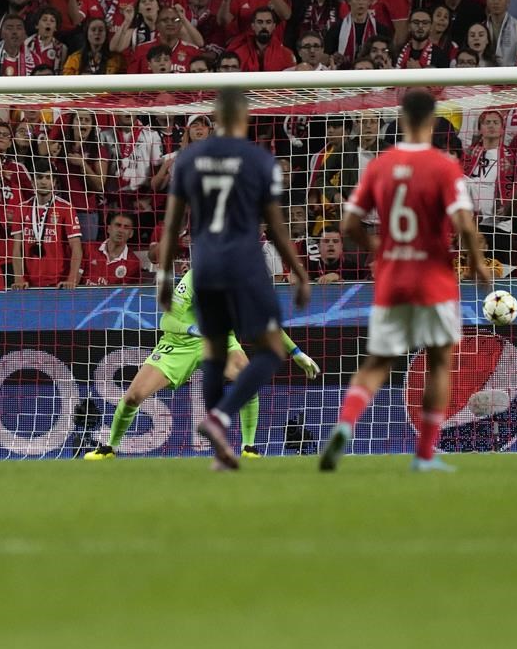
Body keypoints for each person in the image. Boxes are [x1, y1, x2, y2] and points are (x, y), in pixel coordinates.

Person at [319, 89, 492, 473]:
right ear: (432, 121)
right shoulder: (444, 166)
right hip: (434, 278)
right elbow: (464, 224)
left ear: (401, 120)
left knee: (377, 362)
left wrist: (377, 249)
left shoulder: (380, 165)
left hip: (393, 275)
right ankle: (425, 454)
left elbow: (348, 223)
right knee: (440, 363)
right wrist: (479, 265)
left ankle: (344, 427)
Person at [153, 88, 311, 469]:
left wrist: (164, 277)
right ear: (244, 118)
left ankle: (220, 449)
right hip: (244, 263)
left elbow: (172, 223)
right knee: (271, 349)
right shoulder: (258, 160)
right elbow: (275, 226)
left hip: (205, 263)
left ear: (215, 119)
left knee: (214, 349)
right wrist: (298, 271)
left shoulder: (189, 160)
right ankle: (221, 417)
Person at [84, 262, 320, 461]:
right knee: (133, 396)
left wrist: (297, 352)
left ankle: (248, 447)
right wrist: (194, 329)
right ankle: (110, 448)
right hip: (180, 343)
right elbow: (167, 321)